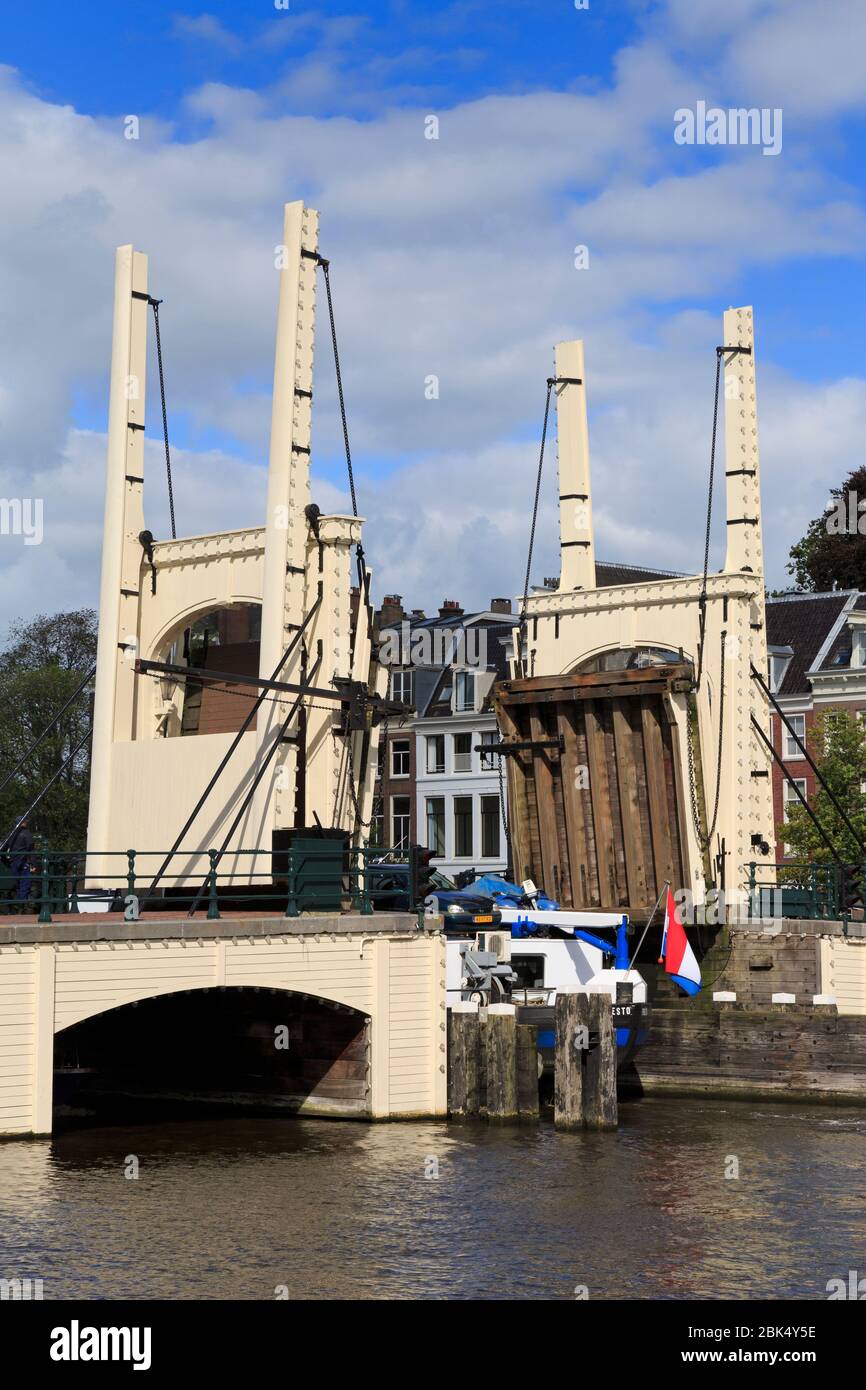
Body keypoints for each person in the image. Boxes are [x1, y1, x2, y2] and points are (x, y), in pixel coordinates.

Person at [6, 819, 35, 904]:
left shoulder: (11, 834)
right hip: (23, 861)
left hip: (13, 862)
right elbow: (31, 849)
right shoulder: (26, 833)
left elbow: (3, 847)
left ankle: (19, 904)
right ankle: (22, 904)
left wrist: (6, 861)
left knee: (18, 883)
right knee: (24, 884)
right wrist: (33, 864)